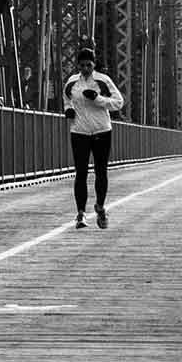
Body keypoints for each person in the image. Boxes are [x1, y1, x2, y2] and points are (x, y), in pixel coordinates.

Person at [63, 48, 124, 229]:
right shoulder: (72, 82)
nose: (86, 68)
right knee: (80, 173)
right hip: (79, 131)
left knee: (100, 171)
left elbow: (119, 102)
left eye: (89, 65)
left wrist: (98, 99)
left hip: (101, 131)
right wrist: (68, 110)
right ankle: (80, 214)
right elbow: (67, 98)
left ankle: (100, 206)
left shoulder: (103, 80)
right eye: (82, 65)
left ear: (94, 64)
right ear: (78, 65)